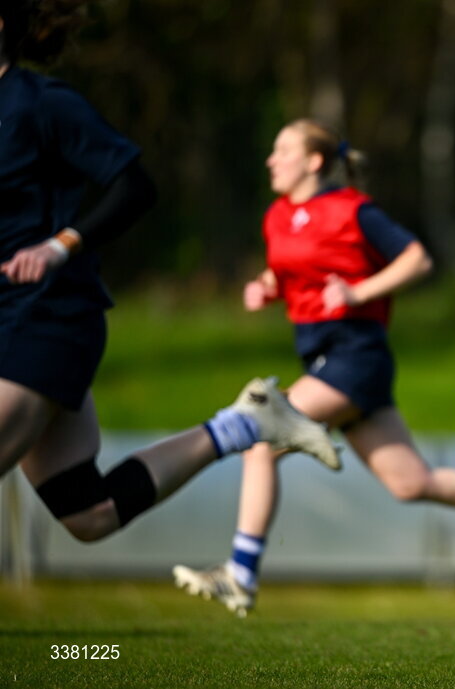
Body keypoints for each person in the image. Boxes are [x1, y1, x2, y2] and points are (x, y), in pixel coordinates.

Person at [171, 119, 455, 617]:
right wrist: (267, 286)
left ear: (314, 162)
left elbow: (417, 260)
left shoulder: (353, 210)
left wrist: (359, 292)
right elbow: (291, 268)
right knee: (410, 482)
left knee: (260, 439)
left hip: (355, 356)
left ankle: (240, 575)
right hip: (326, 362)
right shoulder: (276, 217)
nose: (271, 159)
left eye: (282, 149)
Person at [0, 1, 340, 545]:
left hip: (44, 316)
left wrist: (60, 245)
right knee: (90, 513)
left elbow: (134, 185)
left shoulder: (41, 104)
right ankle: (244, 424)